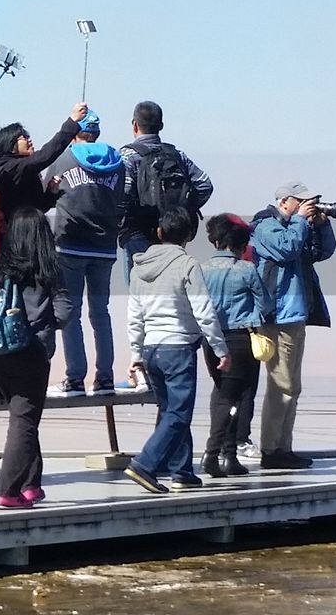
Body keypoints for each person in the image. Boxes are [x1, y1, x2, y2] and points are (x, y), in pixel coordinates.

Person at [123, 207, 229, 494]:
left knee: (170, 409)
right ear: (190, 235)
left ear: (159, 232)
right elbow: (203, 310)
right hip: (178, 346)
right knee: (179, 414)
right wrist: (220, 348)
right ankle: (144, 465)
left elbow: (134, 314)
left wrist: (136, 354)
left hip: (151, 348)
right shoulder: (187, 264)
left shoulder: (139, 267)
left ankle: (181, 471)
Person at [0, 207, 71, 509]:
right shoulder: (49, 265)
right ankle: (7, 490)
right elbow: (64, 310)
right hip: (32, 350)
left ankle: (31, 484)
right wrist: (47, 325)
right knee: (25, 420)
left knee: (25, 417)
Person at [250, 181, 336, 469]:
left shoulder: (296, 225)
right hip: (278, 317)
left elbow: (321, 253)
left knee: (292, 387)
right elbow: (286, 249)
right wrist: (300, 220)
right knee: (281, 385)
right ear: (285, 201)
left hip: (296, 316)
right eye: (302, 201)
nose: (306, 206)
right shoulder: (266, 225)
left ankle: (283, 448)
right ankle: (272, 451)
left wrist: (321, 225)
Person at [44, 109, 125, 398]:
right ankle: (105, 378)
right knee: (101, 313)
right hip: (104, 247)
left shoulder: (64, 159)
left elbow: (45, 193)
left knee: (71, 313)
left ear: (75, 131)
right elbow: (119, 198)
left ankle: (75, 379)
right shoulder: (118, 163)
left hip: (69, 245)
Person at [198, 214, 273, 477]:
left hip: (211, 339)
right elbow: (265, 305)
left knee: (223, 392)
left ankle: (229, 456)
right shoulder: (246, 269)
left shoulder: (202, 269)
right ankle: (213, 452)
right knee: (235, 397)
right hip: (240, 338)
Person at [118, 100, 213, 281]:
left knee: (140, 295)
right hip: (172, 236)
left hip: (137, 234)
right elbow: (205, 185)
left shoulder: (128, 155)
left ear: (134, 125)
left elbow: (124, 195)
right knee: (171, 290)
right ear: (161, 125)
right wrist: (181, 211)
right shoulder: (176, 155)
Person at [0, 103, 87, 235]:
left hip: (31, 232)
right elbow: (46, 155)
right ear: (11, 145)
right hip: (14, 238)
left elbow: (40, 207)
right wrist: (72, 122)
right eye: (24, 138)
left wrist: (51, 192)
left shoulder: (26, 170)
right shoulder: (10, 168)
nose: (30, 140)